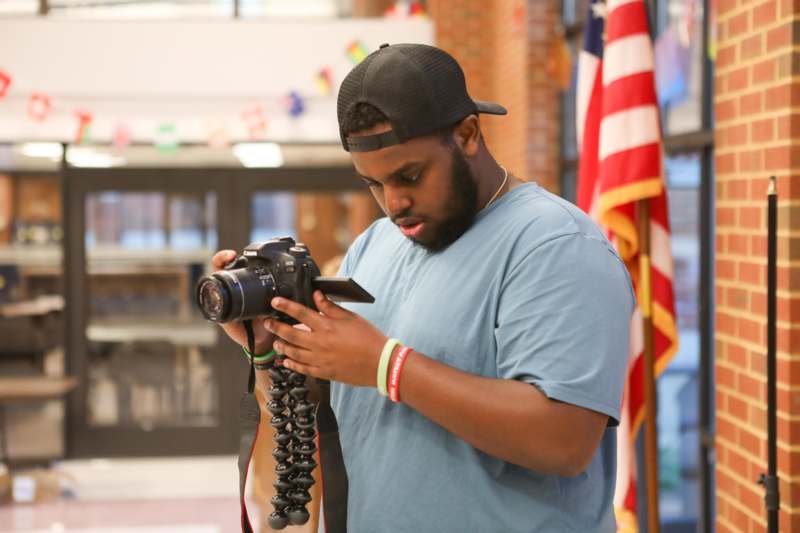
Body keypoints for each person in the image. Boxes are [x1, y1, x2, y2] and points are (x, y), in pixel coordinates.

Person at [212, 43, 634, 533]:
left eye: (409, 175)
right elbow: (340, 400)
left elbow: (564, 441)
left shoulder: (555, 245)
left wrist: (387, 365)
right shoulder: (376, 244)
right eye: (373, 183)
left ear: (468, 134)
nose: (393, 202)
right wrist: (271, 353)